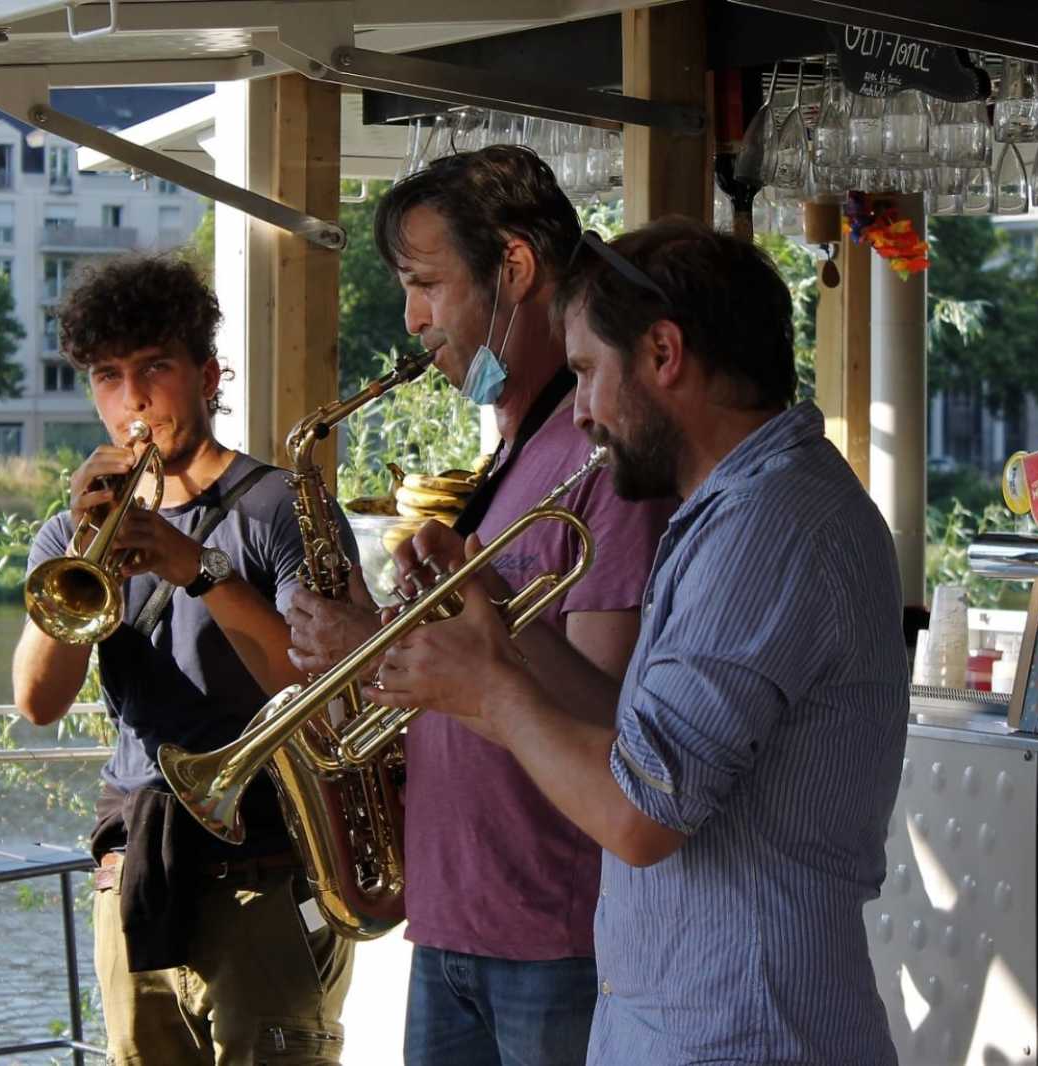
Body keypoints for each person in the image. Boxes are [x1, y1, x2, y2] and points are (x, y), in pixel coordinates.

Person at [363, 218, 909, 1065]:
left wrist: (493, 693)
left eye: (585, 373)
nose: (580, 413)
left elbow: (642, 813)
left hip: (741, 1036)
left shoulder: (770, 529)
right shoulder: (740, 509)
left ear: (663, 353)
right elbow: (637, 744)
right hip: (691, 1024)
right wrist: (497, 615)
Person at [285, 146, 674, 1066]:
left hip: (553, 934)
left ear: (514, 269)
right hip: (456, 922)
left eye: (426, 284)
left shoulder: (598, 465)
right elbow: (478, 659)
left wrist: (372, 650)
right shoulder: (509, 456)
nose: (413, 318)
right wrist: (372, 646)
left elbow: (609, 718)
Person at [11, 254, 353, 1066]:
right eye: (108, 376)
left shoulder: (278, 507)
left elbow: (319, 687)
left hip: (266, 863)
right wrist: (85, 545)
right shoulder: (76, 532)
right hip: (137, 863)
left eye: (155, 368)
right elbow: (36, 702)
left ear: (207, 375)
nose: (132, 399)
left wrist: (191, 566)